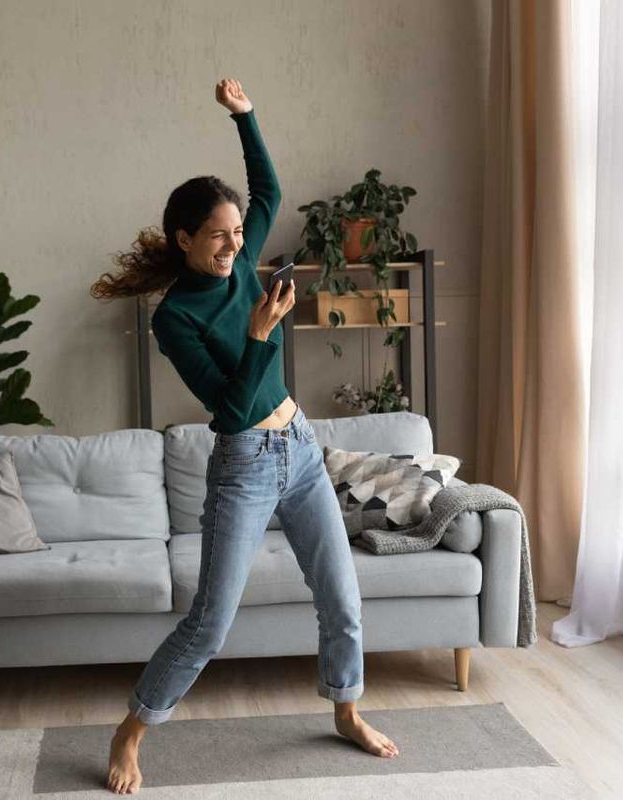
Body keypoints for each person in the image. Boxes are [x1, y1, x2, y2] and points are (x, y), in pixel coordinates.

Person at [90, 78, 399, 795]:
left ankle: (347, 711)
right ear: (184, 240)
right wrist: (260, 337)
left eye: (237, 232)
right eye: (218, 235)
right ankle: (132, 728)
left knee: (342, 599)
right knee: (210, 623)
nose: (235, 245)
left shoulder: (244, 249)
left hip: (301, 449)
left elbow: (269, 190)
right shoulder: (174, 319)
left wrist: (245, 116)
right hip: (245, 465)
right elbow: (228, 410)